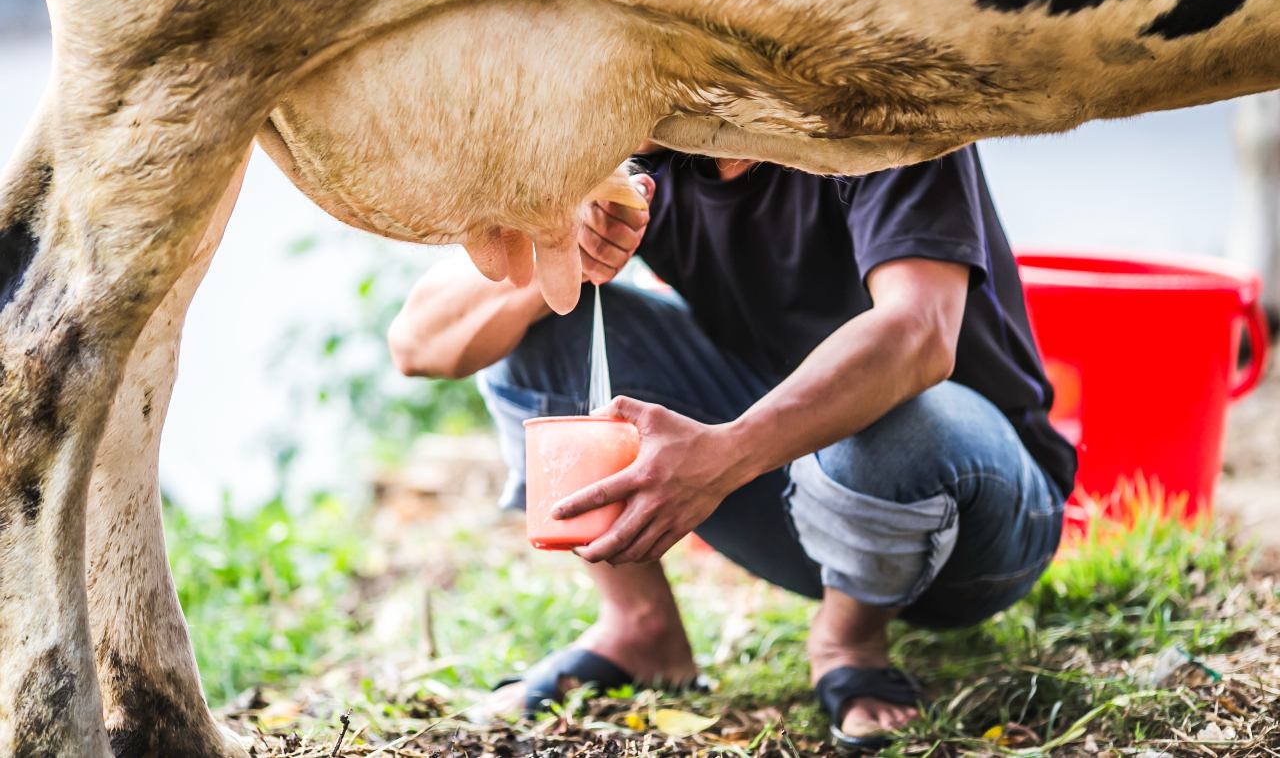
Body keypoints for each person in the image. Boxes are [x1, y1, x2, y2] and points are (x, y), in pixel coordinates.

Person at [387, 146, 1075, 749]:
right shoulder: (652, 155)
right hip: (803, 495)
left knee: (900, 419)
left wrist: (723, 454)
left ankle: (847, 639)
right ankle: (641, 627)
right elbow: (418, 342)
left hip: (978, 517)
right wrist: (563, 254)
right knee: (534, 336)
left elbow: (919, 333)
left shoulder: (880, 97)